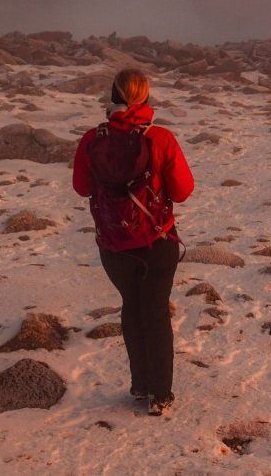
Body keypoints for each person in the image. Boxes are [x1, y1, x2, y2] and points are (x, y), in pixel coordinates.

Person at [72, 68, 194, 416]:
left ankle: (140, 385)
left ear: (113, 95)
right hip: (157, 240)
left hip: (113, 243)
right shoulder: (161, 139)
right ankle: (161, 394)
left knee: (131, 306)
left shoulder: (92, 139)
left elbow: (82, 188)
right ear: (146, 97)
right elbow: (183, 192)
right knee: (155, 311)